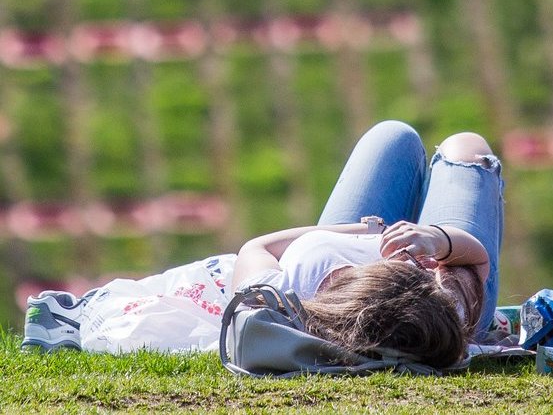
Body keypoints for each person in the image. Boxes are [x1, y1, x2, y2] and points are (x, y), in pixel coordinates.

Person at [21, 120, 504, 369]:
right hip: (441, 284)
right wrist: (436, 242)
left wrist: (364, 232)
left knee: (392, 137)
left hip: (339, 245)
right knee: (465, 148)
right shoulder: (452, 305)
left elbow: (260, 245)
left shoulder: (289, 293)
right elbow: (477, 255)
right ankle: (453, 176)